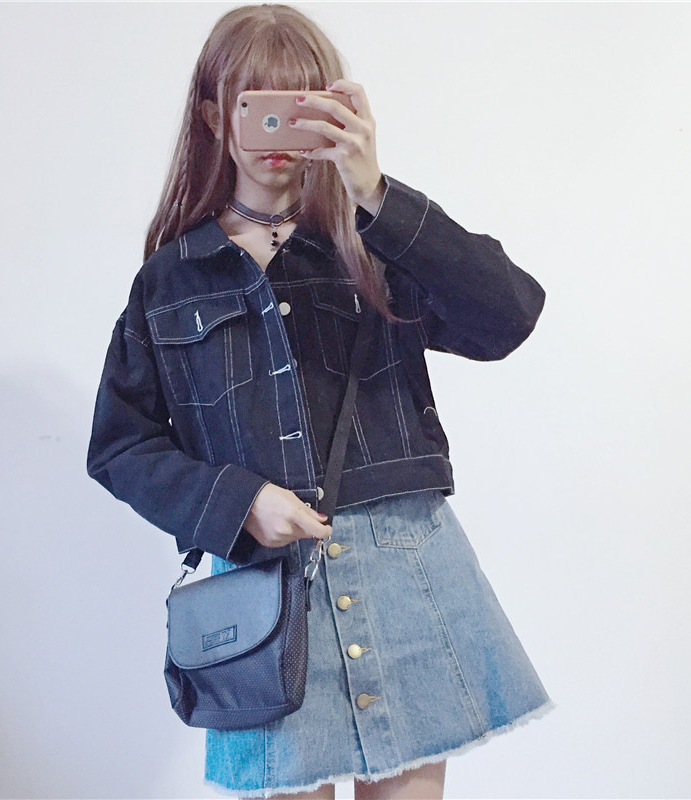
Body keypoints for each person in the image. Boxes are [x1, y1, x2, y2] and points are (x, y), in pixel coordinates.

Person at [87, 4, 552, 798]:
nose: (278, 130)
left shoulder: (372, 246)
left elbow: (507, 315)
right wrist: (238, 502)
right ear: (213, 113)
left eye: (299, 105)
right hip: (265, 598)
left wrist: (375, 191)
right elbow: (120, 446)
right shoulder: (173, 280)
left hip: (406, 576)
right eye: (256, 104)